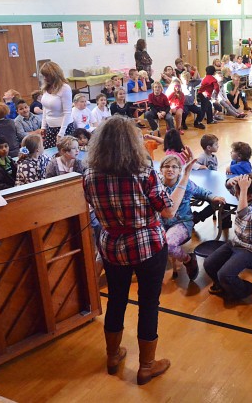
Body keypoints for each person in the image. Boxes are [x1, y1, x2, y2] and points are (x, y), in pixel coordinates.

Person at [84, 116, 187, 385]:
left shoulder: (90, 175)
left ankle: (112, 355)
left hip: (111, 247)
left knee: (116, 300)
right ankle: (146, 367)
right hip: (147, 245)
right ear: (132, 143)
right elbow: (168, 210)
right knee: (148, 304)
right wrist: (184, 180)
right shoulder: (144, 172)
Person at [204, 174, 252, 300]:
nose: (235, 195)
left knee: (225, 274)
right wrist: (230, 182)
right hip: (238, 242)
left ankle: (249, 288)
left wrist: (243, 190)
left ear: (249, 196)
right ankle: (223, 286)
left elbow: (245, 215)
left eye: (238, 193)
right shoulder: (248, 195)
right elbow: (232, 189)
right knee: (209, 264)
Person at [159, 155, 225, 280]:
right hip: (160, 223)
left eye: (174, 167)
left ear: (180, 170)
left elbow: (202, 191)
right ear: (161, 169)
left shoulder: (186, 184)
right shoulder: (156, 185)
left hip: (181, 223)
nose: (170, 169)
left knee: (169, 244)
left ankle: (188, 260)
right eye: (166, 166)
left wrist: (213, 197)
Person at [40, 61, 74, 149]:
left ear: (54, 74)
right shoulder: (46, 88)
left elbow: (67, 112)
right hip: (50, 127)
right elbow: (45, 108)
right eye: (43, 75)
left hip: (64, 127)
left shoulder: (65, 88)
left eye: (47, 75)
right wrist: (43, 126)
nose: (44, 78)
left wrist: (61, 133)